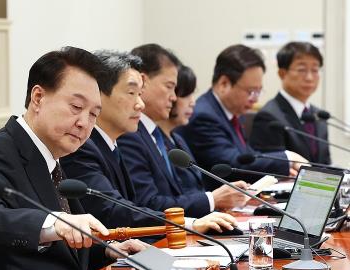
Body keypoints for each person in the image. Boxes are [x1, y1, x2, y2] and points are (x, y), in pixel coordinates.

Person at [0, 47, 147, 270]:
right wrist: (56, 222)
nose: (84, 123)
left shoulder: (52, 160)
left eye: (94, 114)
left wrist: (107, 250)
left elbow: (65, 254)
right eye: (76, 107)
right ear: (38, 98)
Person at [62, 50, 238, 234]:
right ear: (98, 95)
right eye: (131, 93)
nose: (140, 104)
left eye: (140, 94)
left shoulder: (110, 145)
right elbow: (112, 210)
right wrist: (187, 224)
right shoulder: (81, 148)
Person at [118, 45, 249, 217]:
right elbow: (147, 203)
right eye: (170, 86)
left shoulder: (159, 136)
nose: (174, 97)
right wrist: (211, 200)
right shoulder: (130, 136)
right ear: (143, 82)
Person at [176, 44, 308, 189]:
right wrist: (287, 158)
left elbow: (247, 156)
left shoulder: (232, 114)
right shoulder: (204, 116)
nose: (255, 100)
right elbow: (233, 164)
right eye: (251, 91)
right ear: (224, 84)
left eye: (258, 92)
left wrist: (281, 166)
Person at [250, 42, 329, 164]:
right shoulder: (269, 116)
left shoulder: (319, 115)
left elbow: (325, 164)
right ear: (282, 73)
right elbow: (273, 167)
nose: (309, 77)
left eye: (315, 70)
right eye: (302, 70)